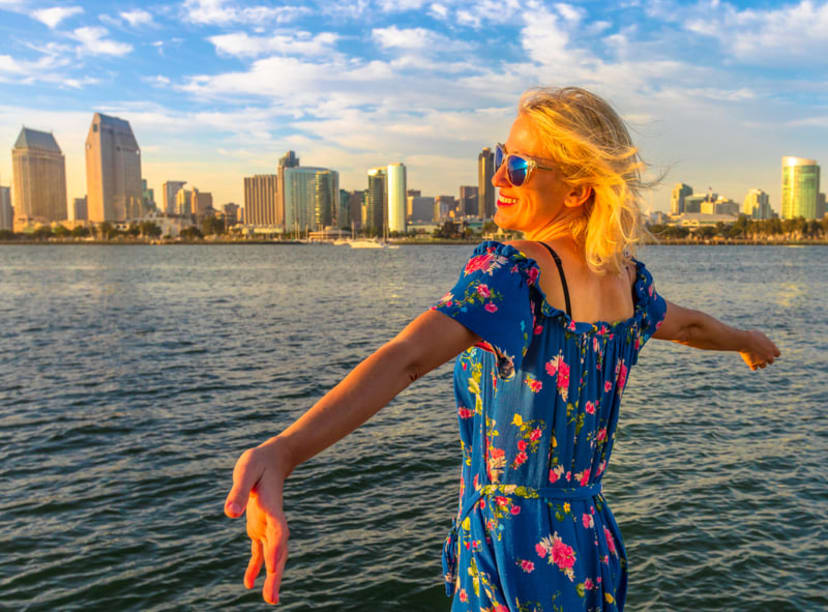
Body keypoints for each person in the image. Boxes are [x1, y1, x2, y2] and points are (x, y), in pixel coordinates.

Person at [223, 87, 780, 610]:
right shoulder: (629, 283)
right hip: (588, 543)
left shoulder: (512, 273)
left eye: (518, 165)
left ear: (577, 190)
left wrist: (284, 450)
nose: (498, 175)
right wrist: (747, 342)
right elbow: (691, 328)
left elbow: (406, 358)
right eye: (500, 156)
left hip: (512, 548)